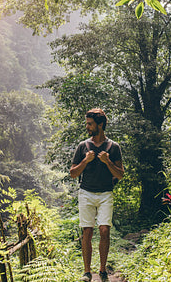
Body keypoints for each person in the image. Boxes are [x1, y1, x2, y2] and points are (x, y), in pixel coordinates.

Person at [70, 108, 124, 282]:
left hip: (106, 193)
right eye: (87, 123)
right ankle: (87, 272)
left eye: (90, 123)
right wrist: (86, 160)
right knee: (87, 231)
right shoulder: (83, 147)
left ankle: (102, 271)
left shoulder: (114, 147)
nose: (87, 127)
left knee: (104, 230)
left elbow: (120, 174)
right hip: (86, 192)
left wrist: (107, 161)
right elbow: (72, 173)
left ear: (100, 125)